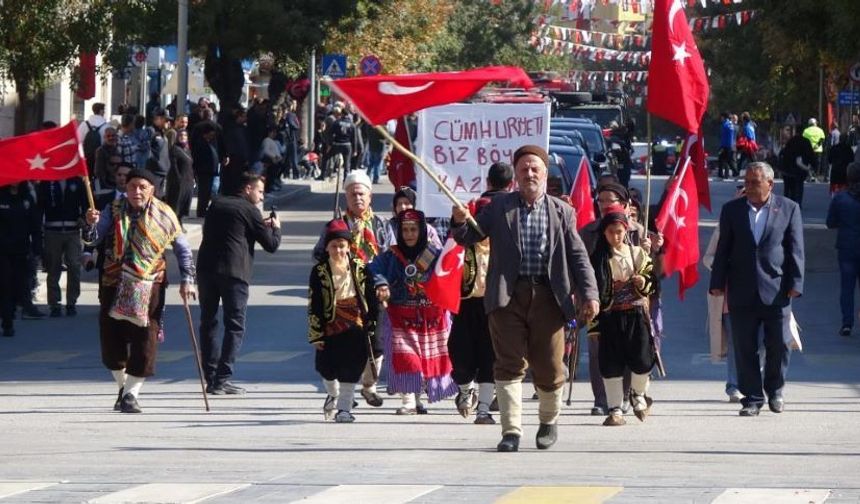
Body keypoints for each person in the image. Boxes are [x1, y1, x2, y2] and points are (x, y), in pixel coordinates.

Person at [451, 145, 599, 452]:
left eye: (535, 168)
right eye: (523, 169)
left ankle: (548, 421)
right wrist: (460, 221)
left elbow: (578, 257)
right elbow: (469, 237)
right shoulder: (499, 207)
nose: (529, 174)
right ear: (515, 176)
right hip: (507, 297)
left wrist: (589, 294)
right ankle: (511, 431)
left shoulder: (562, 211)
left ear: (545, 173)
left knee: (549, 367)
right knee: (507, 364)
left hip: (549, 297)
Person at [83, 168, 196, 413]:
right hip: (113, 282)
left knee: (145, 339)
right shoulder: (112, 210)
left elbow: (183, 249)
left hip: (150, 285)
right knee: (111, 341)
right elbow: (93, 240)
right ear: (126, 188)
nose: (137, 191)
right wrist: (90, 225)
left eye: (142, 187)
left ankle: (132, 394)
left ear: (152, 190)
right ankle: (123, 387)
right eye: (133, 186)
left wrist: (188, 279)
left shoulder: (165, 214)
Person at [709, 162, 804, 416]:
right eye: (746, 182)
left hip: (777, 289)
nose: (748, 187)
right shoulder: (732, 210)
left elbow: (795, 250)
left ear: (770, 184)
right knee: (744, 346)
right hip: (741, 289)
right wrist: (717, 283)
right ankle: (751, 397)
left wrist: (796, 283)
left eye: (754, 182)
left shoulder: (789, 209)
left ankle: (775, 391)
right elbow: (723, 250)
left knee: (780, 344)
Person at [197, 173, 281, 395]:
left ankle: (211, 376)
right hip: (234, 273)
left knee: (208, 322)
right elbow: (271, 245)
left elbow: (232, 229)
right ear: (247, 189)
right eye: (259, 191)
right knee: (234, 326)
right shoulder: (249, 209)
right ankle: (222, 379)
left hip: (206, 270)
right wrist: (276, 227)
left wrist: (256, 224)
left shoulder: (217, 204)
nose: (261, 196)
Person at [312, 170, 390, 407]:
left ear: (370, 196)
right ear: (346, 197)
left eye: (361, 194)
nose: (357, 198)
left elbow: (391, 257)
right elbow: (318, 254)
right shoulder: (336, 225)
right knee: (339, 346)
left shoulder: (380, 225)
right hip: (342, 294)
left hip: (372, 292)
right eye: (353, 194)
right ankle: (340, 391)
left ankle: (369, 386)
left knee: (375, 344)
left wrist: (384, 282)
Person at [370, 209, 457, 414]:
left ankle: (419, 399)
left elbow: (448, 272)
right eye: (405, 230)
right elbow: (374, 269)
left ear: (423, 231)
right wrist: (381, 284)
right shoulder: (391, 255)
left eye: (413, 230)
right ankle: (408, 400)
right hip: (401, 316)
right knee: (406, 358)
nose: (409, 234)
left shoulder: (434, 254)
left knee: (426, 361)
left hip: (431, 317)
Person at [448, 161, 513, 425]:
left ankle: (484, 409)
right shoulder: (464, 242)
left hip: (496, 305)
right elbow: (445, 261)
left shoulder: (507, 243)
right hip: (467, 305)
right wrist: (458, 220)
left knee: (491, 358)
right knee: (460, 354)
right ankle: (465, 391)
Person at [588, 205, 656, 426]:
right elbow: (591, 292)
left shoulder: (637, 254)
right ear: (604, 233)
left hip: (636, 315)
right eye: (611, 232)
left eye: (619, 232)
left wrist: (642, 282)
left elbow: (654, 282)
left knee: (643, 360)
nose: (615, 237)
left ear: (626, 230)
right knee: (610, 364)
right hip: (609, 318)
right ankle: (615, 408)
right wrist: (593, 325)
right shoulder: (597, 259)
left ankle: (638, 393)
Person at [308, 219, 379, 423]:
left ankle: (345, 410)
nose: (338, 251)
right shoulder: (319, 272)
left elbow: (370, 297)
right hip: (330, 324)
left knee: (352, 367)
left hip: (355, 324)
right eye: (334, 246)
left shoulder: (359, 268)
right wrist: (316, 334)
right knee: (325, 368)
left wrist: (372, 322)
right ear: (327, 248)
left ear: (348, 247)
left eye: (342, 246)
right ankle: (332, 393)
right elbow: (315, 304)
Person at [38, 178, 88, 317]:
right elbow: (40, 206)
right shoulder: (47, 182)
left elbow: (85, 203)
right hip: (52, 231)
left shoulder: (77, 182)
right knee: (53, 267)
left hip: (73, 231)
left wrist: (83, 218)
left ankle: (71, 302)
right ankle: (54, 303)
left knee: (74, 264)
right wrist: (39, 228)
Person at [0, 183, 45, 336]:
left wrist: (38, 249)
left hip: (21, 250)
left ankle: (11, 312)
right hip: (2, 251)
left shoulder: (27, 199)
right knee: (4, 284)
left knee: (17, 285)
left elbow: (35, 225)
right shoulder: (2, 197)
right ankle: (7, 321)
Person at [826, 162, 860, 337]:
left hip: (847, 246)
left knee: (847, 287)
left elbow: (830, 222)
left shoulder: (840, 197)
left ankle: (847, 323)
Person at [778, 128, 815, 208]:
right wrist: (813, 165)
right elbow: (811, 154)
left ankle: (787, 203)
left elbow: (784, 153)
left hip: (788, 169)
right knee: (799, 186)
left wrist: (782, 167)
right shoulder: (806, 142)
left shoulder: (791, 141)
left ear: (796, 132)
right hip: (800, 170)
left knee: (788, 187)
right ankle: (798, 202)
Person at [165, 129, 195, 227]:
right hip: (178, 181)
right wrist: (178, 179)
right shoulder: (174, 149)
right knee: (176, 203)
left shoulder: (187, 149)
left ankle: (180, 222)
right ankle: (174, 225)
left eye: (185, 135)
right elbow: (174, 166)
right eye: (181, 135)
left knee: (185, 202)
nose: (183, 137)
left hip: (188, 180)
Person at [718, 112, 737, 179]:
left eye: (721, 117)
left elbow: (723, 136)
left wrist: (721, 146)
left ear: (724, 117)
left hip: (725, 145)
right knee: (726, 160)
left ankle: (735, 172)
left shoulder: (724, 125)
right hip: (731, 145)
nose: (720, 118)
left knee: (723, 159)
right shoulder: (731, 124)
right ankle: (723, 174)